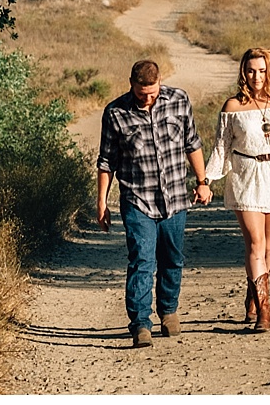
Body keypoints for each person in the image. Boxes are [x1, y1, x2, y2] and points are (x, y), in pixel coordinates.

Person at [97, 59, 212, 348]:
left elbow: (192, 142)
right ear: (131, 84)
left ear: (160, 82)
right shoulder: (115, 113)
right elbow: (106, 161)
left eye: (152, 92)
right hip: (138, 199)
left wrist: (202, 181)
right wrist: (101, 202)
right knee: (142, 261)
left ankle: (168, 311)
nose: (147, 98)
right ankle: (140, 324)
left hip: (174, 198)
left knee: (172, 258)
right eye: (141, 93)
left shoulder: (178, 100)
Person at [203, 47, 270, 332]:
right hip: (245, 175)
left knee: (268, 247)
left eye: (262, 70)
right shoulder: (233, 107)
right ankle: (265, 309)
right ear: (243, 72)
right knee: (255, 243)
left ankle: (253, 295)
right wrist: (206, 181)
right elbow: (221, 148)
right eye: (251, 70)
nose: (256, 76)